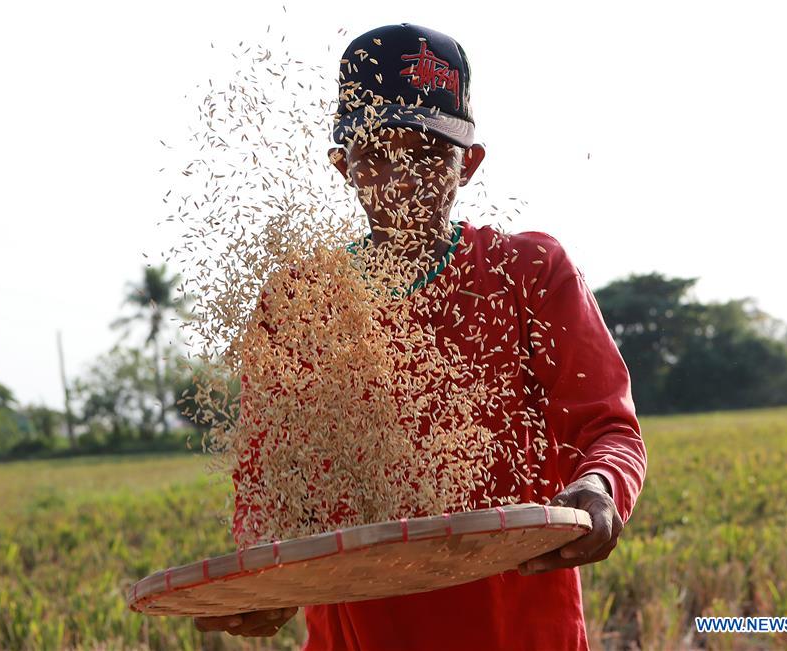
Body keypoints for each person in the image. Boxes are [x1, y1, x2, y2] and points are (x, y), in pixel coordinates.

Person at [195, 23, 647, 650]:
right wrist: (266, 579)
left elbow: (608, 431)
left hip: (517, 628)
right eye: (376, 152)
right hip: (357, 633)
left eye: (430, 154)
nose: (403, 178)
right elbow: (270, 484)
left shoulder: (528, 273)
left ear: (469, 164)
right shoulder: (298, 307)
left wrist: (600, 489)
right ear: (342, 166)